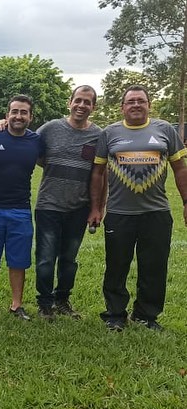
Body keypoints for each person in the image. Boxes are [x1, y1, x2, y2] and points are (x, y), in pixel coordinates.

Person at [88, 85, 187, 332]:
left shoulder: (164, 130)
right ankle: (115, 314)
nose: (135, 105)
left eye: (140, 101)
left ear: (148, 105)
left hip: (156, 213)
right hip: (120, 214)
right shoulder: (110, 133)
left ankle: (146, 315)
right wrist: (96, 208)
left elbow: (181, 168)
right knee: (116, 265)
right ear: (122, 107)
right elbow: (98, 173)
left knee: (154, 266)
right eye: (130, 101)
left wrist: (186, 202)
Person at [33, 85, 103, 321]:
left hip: (78, 207)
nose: (82, 106)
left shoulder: (99, 135)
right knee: (45, 258)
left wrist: (96, 208)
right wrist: (1, 123)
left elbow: (100, 173)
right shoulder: (50, 128)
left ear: (93, 107)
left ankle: (62, 300)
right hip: (48, 205)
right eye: (78, 100)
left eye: (87, 102)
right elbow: (27, 144)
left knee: (69, 260)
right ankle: (44, 303)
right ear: (69, 102)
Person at [0, 95, 43, 321]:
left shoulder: (36, 141)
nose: (18, 116)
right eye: (14, 111)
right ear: (7, 115)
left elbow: (48, 159)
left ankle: (17, 305)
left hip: (21, 209)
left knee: (19, 260)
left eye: (23, 112)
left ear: (30, 117)